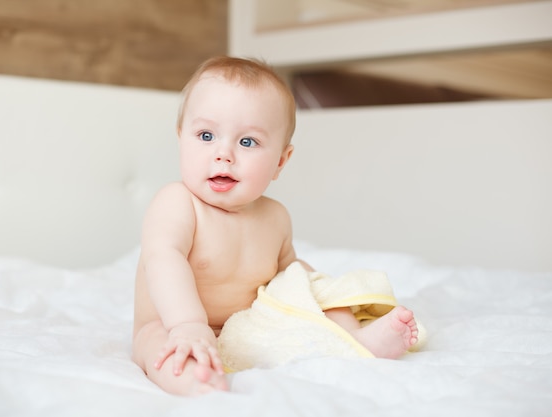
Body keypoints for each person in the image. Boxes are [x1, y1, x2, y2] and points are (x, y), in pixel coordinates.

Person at [131, 56, 419, 396]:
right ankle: (200, 384)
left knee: (313, 285)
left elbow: (289, 276)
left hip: (249, 328)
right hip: (170, 323)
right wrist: (188, 325)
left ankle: (353, 339)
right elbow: (163, 259)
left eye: (247, 142)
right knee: (160, 348)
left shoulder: (275, 217)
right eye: (206, 135)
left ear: (280, 161)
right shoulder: (178, 202)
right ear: (181, 138)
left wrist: (326, 293)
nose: (224, 154)